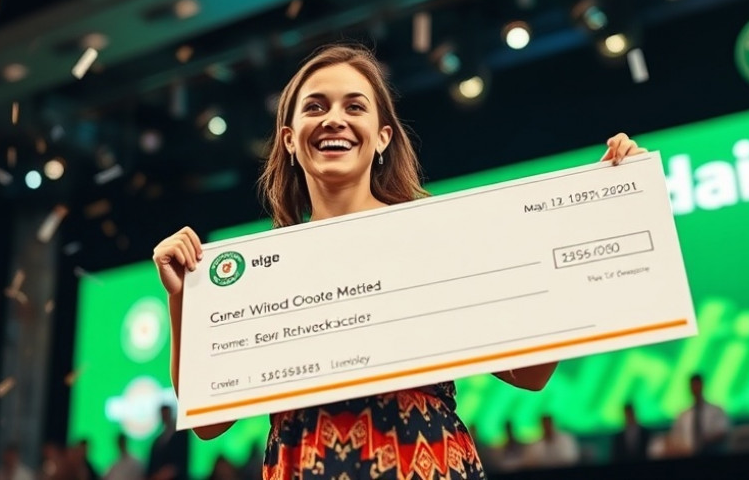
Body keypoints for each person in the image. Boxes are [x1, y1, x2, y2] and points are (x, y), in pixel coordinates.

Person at [152, 43, 647, 479]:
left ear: (383, 136)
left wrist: (594, 215)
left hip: (423, 460)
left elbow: (530, 375)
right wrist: (183, 300)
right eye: (315, 107)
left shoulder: (434, 236)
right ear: (289, 139)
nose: (334, 119)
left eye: (355, 106)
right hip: (303, 463)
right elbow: (209, 422)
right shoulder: (262, 271)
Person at [669, 373, 730, 456]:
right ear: (690, 388)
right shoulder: (683, 415)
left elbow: (724, 431)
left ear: (702, 385)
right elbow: (675, 438)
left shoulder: (716, 410)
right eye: (693, 385)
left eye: (697, 385)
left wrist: (706, 440)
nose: (695, 388)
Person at [144, 405, 188, 480]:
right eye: (163, 414)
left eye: (166, 413)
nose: (164, 416)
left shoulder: (181, 435)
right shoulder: (159, 439)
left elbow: (180, 461)